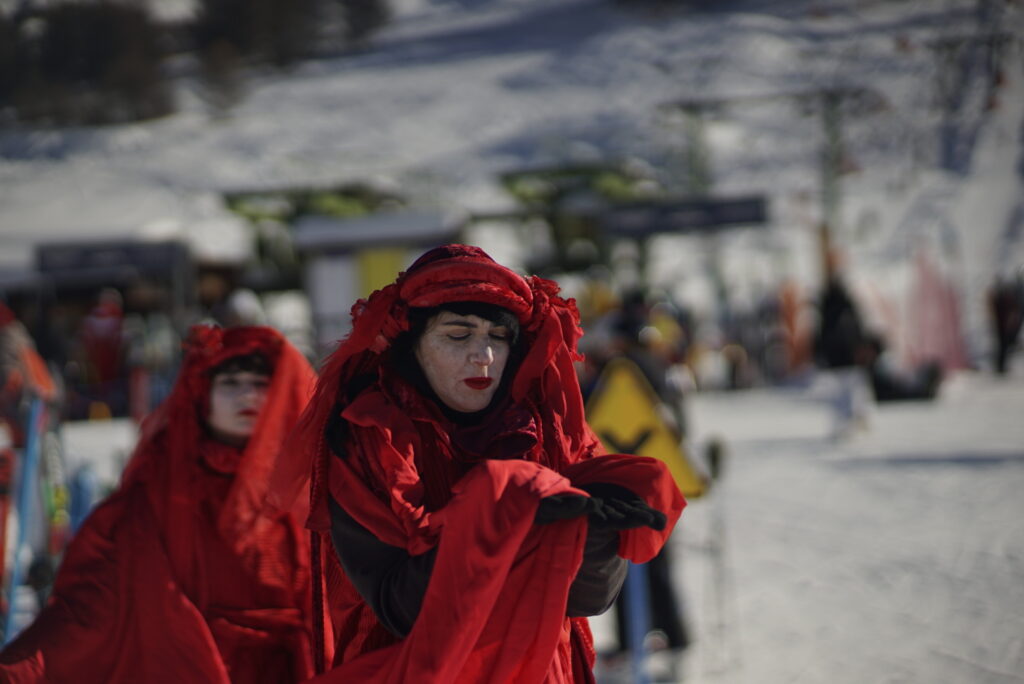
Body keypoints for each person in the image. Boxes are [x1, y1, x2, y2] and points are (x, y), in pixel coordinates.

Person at [268, 244, 686, 683]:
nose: (483, 355)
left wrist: (594, 535)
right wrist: (503, 512)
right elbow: (399, 607)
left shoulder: (544, 430)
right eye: (458, 335)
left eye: (498, 337)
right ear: (412, 345)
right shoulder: (369, 439)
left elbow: (588, 598)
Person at [0, 325, 319, 683]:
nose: (247, 395)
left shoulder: (310, 487)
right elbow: (91, 606)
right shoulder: (158, 493)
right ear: (202, 394)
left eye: (260, 384)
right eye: (230, 383)